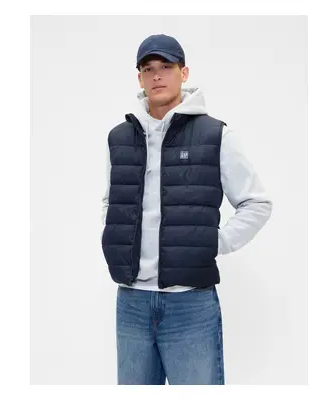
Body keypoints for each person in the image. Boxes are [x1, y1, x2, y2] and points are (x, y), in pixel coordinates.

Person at [100, 33, 273, 385]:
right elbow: (111, 200)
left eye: (166, 66)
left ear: (184, 73)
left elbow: (257, 203)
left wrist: (214, 242)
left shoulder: (215, 135)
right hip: (131, 302)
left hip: (190, 304)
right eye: (148, 68)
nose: (157, 75)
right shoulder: (119, 137)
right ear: (139, 78)